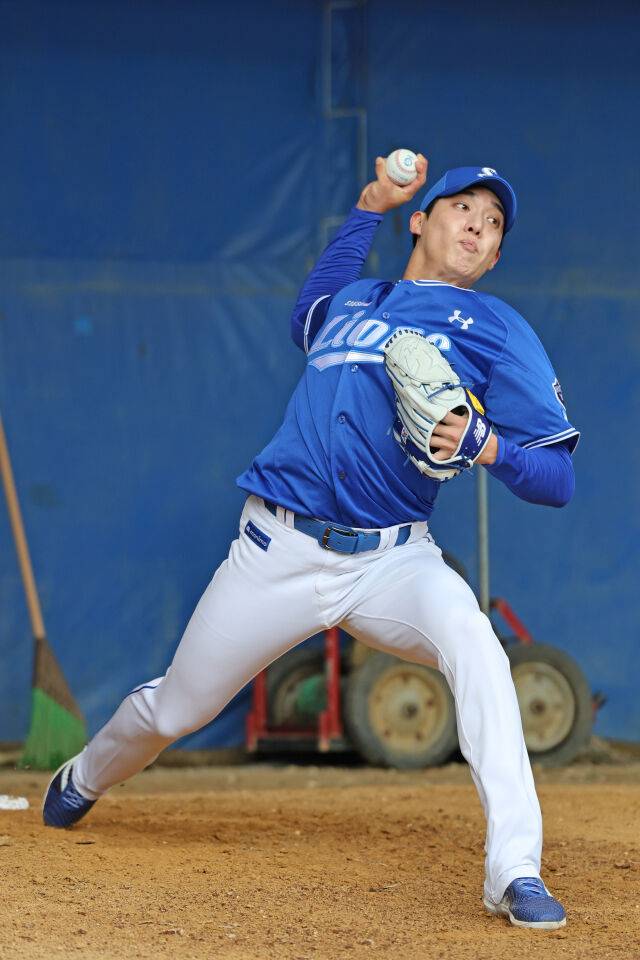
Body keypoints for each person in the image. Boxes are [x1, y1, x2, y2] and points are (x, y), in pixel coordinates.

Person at [43, 152, 578, 930]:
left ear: (495, 256)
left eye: (495, 224)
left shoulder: (494, 327)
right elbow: (309, 309)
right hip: (279, 551)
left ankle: (515, 870)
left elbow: (557, 478)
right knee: (173, 712)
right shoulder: (353, 302)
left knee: (478, 646)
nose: (480, 224)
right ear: (421, 220)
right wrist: (366, 206)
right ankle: (85, 775)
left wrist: (488, 445)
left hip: (394, 558)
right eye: (464, 206)